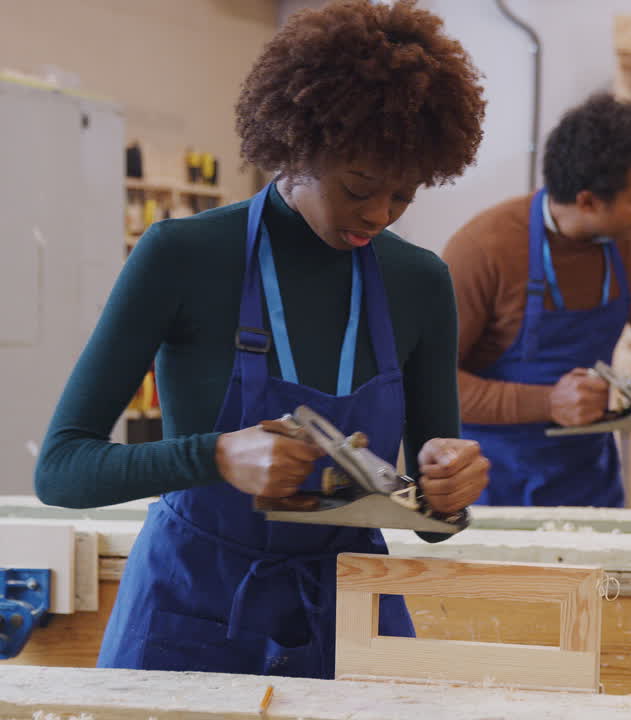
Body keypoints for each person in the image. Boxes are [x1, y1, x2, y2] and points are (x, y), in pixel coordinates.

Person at [33, 0, 489, 679]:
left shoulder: (420, 282)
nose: (378, 214)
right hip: (189, 611)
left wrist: (450, 492)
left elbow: (429, 521)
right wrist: (214, 455)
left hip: (346, 615)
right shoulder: (182, 255)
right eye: (359, 187)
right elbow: (62, 469)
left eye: (404, 195)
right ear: (295, 145)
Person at [442, 92, 631, 507]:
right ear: (587, 201)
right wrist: (547, 403)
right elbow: (433, 385)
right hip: (492, 486)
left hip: (589, 483)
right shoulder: (482, 250)